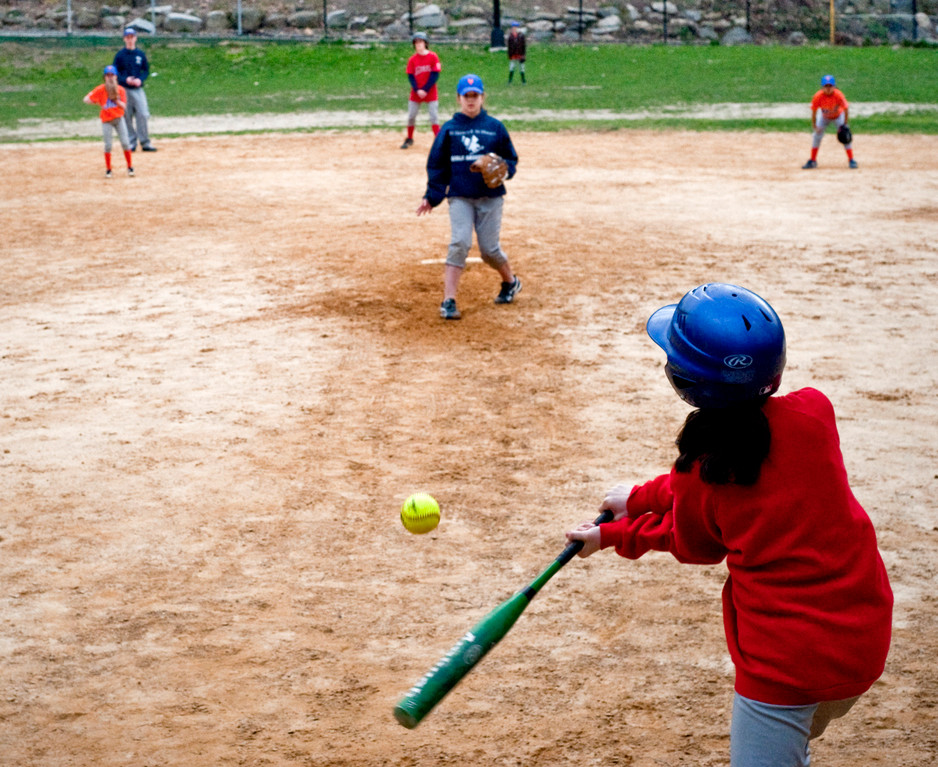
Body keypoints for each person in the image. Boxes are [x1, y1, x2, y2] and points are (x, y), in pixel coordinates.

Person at [565, 283, 893, 767]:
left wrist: (611, 535)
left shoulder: (703, 472)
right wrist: (636, 499)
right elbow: (715, 485)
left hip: (784, 669)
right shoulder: (814, 412)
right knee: (798, 735)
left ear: (682, 381)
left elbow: (691, 539)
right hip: (863, 644)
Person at [416, 74, 522, 321]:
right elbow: (438, 166)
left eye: (475, 96)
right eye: (467, 96)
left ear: (483, 97)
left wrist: (505, 170)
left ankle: (510, 282)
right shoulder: (450, 130)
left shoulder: (495, 127)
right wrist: (431, 197)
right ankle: (448, 300)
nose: (471, 101)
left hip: (490, 197)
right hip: (460, 196)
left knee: (489, 250)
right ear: (458, 99)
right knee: (460, 243)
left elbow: (511, 159)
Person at [83, 65, 134, 179]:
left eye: (112, 75)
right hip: (106, 120)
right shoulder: (101, 89)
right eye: (108, 75)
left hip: (119, 119)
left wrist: (115, 100)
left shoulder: (120, 90)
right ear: (104, 77)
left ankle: (130, 167)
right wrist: (96, 100)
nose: (110, 77)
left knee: (125, 143)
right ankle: (108, 169)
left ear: (116, 77)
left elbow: (124, 106)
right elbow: (86, 99)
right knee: (108, 145)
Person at [113, 27, 157, 152]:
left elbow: (145, 70)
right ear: (124, 39)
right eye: (128, 37)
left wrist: (140, 80)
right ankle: (131, 142)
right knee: (126, 116)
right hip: (124, 89)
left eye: (132, 37)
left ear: (135, 38)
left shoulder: (140, 54)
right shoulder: (120, 55)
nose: (130, 40)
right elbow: (116, 73)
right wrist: (125, 79)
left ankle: (145, 142)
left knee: (142, 114)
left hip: (137, 89)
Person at [802, 74, 855, 169]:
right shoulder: (818, 96)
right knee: (816, 136)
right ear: (822, 87)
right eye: (826, 86)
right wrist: (814, 125)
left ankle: (851, 160)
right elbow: (814, 111)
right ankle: (813, 160)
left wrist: (845, 124)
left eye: (830, 86)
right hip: (824, 117)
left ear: (834, 86)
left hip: (838, 116)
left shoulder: (838, 95)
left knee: (845, 137)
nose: (828, 88)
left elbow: (846, 109)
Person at [401, 31, 442, 150]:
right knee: (411, 116)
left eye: (421, 42)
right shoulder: (412, 59)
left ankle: (438, 140)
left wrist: (425, 89)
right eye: (416, 42)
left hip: (430, 91)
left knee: (434, 116)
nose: (418, 44)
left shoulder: (433, 56)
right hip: (416, 92)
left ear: (425, 43)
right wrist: (417, 89)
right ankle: (409, 138)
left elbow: (435, 75)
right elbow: (411, 76)